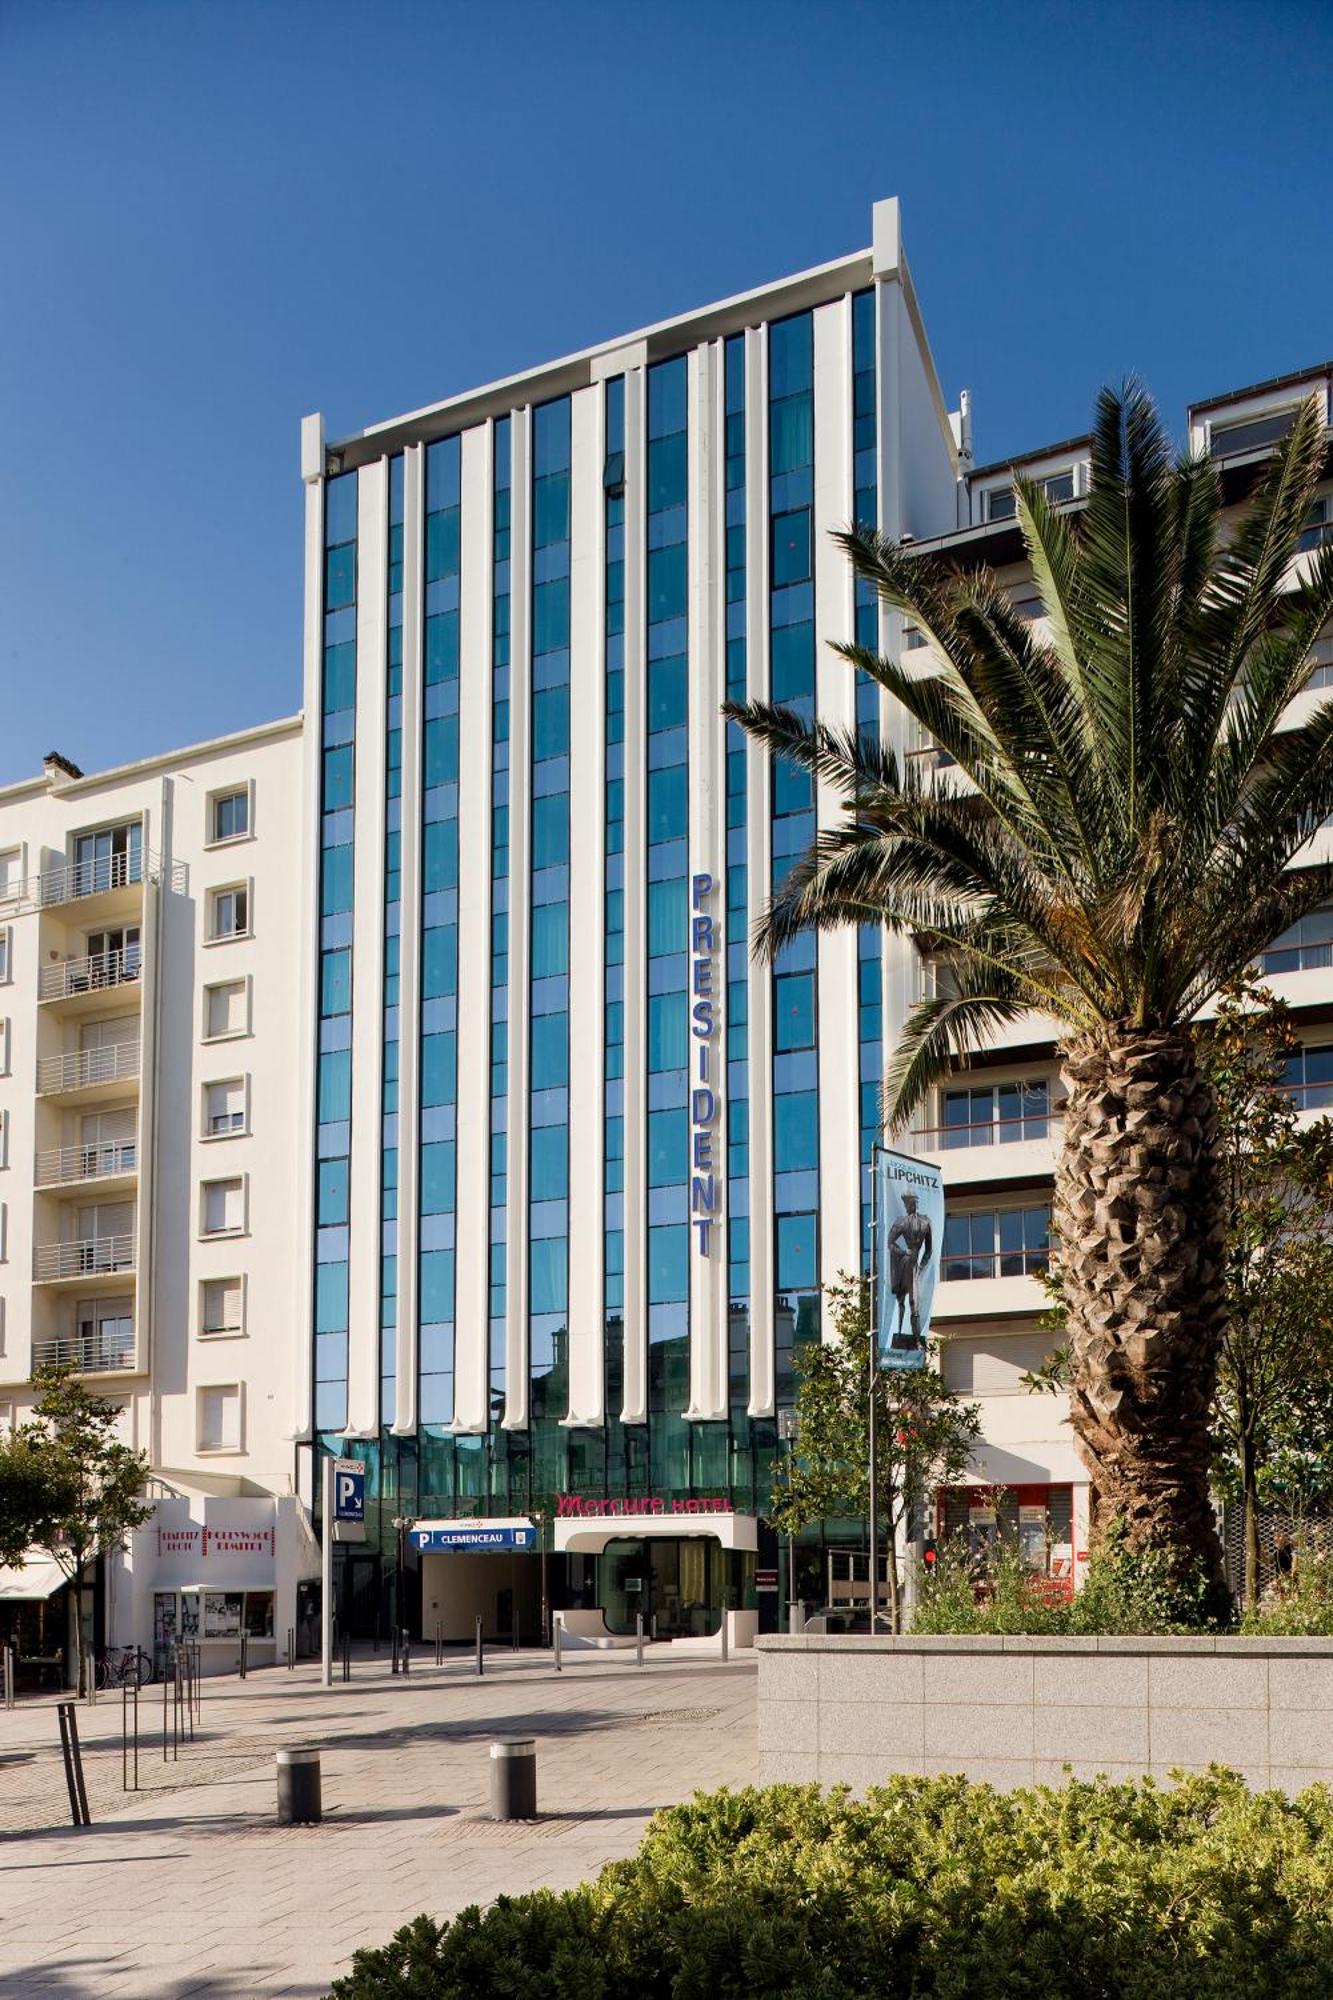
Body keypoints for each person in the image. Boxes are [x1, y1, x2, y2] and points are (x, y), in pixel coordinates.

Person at [887, 1191, 933, 1351]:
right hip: (904, 1264)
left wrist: (922, 1266)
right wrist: (902, 1252)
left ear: (913, 1204)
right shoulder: (901, 1222)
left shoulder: (925, 1222)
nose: (907, 1207)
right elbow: (890, 1242)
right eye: (906, 1204)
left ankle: (917, 1342)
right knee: (901, 1300)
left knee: (915, 1303)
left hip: (915, 1266)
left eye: (909, 1204)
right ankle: (899, 1334)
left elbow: (929, 1250)